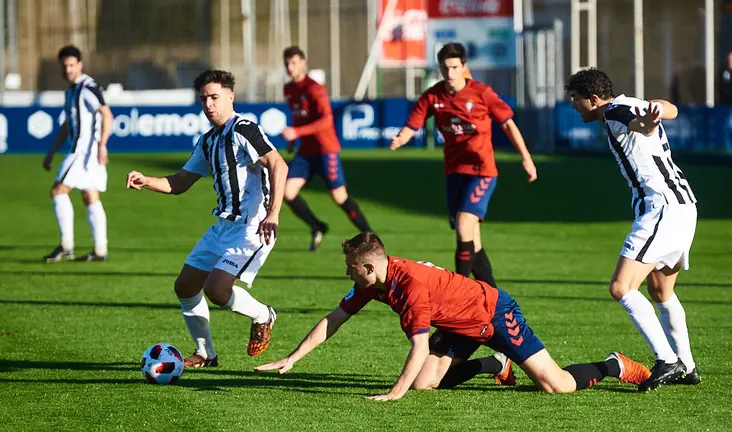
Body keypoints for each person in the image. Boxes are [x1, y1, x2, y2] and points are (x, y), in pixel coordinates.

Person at [255, 232, 651, 401]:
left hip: (494, 313)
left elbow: (418, 347)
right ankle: (494, 364)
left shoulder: (410, 286)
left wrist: (394, 392)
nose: (347, 273)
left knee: (556, 386)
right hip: (459, 325)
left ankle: (614, 365)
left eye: (350, 267)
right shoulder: (372, 282)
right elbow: (334, 318)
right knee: (424, 384)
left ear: (369, 267)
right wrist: (293, 357)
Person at [125, 70, 288, 367]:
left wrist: (273, 213)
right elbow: (180, 182)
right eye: (203, 99)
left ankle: (263, 315)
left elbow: (279, 164)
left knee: (216, 289)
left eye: (214, 97)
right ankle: (205, 354)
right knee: (185, 287)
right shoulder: (208, 141)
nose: (209, 104)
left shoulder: (243, 129)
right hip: (222, 227)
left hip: (252, 228)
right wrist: (146, 180)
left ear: (230, 96)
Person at [564, 67, 700, 390]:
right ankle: (687, 365)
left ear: (593, 99)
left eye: (576, 99)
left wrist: (649, 122)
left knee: (621, 287)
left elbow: (638, 125)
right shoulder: (633, 103)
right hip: (684, 206)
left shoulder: (614, 111)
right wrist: (658, 111)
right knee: (661, 291)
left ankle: (667, 359)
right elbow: (671, 109)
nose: (573, 106)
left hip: (661, 209)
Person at [390, 42, 537, 288]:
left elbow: (508, 123)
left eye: (455, 67)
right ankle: (493, 297)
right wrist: (400, 138)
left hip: (482, 171)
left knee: (463, 224)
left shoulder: (481, 93)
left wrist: (526, 157)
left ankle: (458, 290)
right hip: (454, 172)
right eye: (445, 68)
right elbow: (413, 124)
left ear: (464, 66)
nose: (450, 73)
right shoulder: (434, 96)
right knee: (472, 240)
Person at [281, 46, 373, 251]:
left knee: (339, 197)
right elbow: (298, 116)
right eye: (287, 63)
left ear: (303, 63)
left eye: (294, 63)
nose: (290, 67)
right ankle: (317, 226)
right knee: (287, 192)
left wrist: (297, 132)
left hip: (325, 149)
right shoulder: (289, 89)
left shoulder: (315, 88)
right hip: (306, 152)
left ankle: (370, 236)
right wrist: (293, 139)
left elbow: (327, 120)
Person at [42, 45, 113, 263]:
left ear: (80, 65)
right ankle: (100, 250)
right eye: (64, 66)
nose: (68, 70)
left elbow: (107, 114)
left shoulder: (87, 88)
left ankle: (66, 246)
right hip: (84, 151)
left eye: (72, 65)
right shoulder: (70, 91)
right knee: (90, 196)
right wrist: (51, 152)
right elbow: (67, 125)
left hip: (84, 151)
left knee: (58, 191)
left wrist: (102, 144)